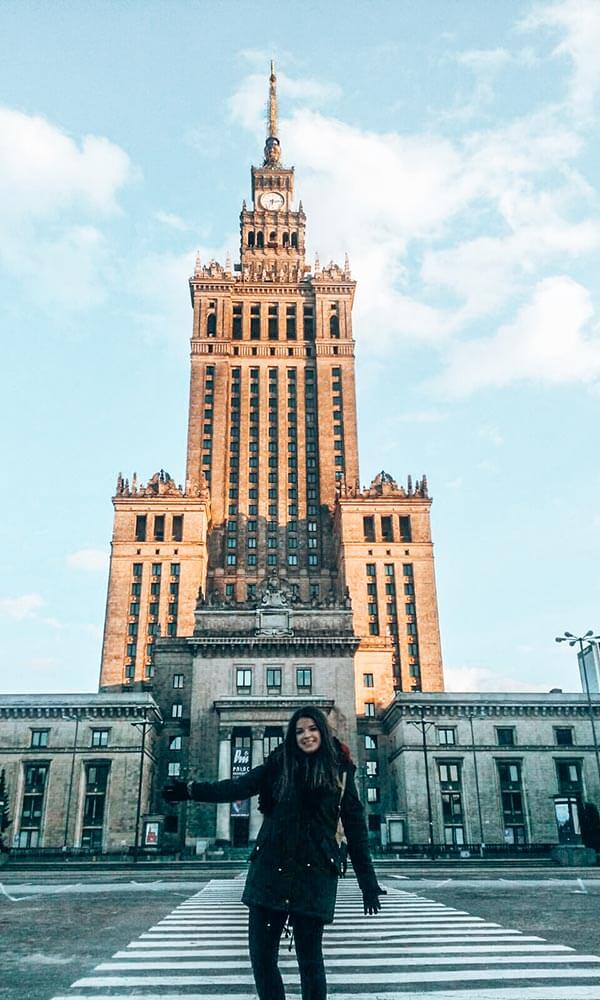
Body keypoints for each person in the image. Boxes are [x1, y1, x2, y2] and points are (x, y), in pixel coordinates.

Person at [162, 705, 385, 1000]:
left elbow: (356, 831)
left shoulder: (340, 773)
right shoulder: (279, 764)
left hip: (313, 875)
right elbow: (237, 787)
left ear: (323, 730)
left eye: (312, 729)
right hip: (271, 872)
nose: (306, 735)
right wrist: (190, 790)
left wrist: (367, 884)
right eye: (299, 731)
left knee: (310, 961)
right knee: (263, 959)